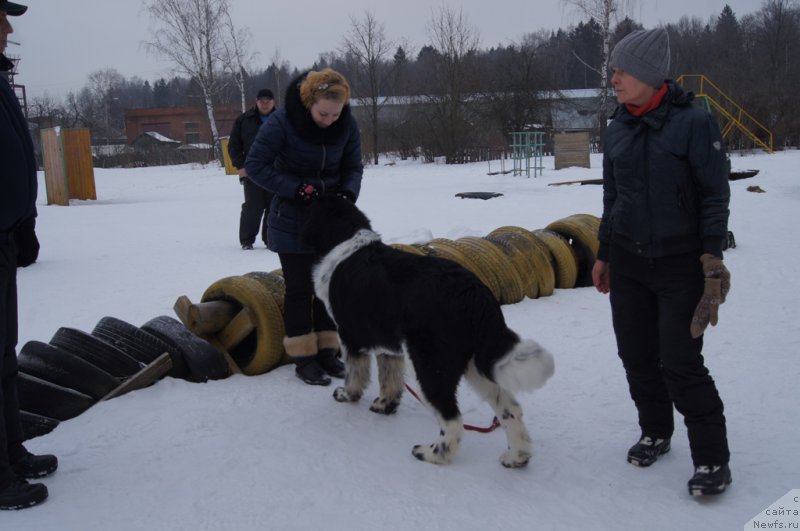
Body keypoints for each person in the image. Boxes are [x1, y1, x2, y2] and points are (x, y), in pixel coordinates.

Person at [592, 27, 732, 496]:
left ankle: (712, 460)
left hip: (679, 265)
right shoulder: (617, 127)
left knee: (680, 362)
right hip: (629, 264)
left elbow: (714, 193)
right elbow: (612, 197)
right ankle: (656, 431)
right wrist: (604, 254)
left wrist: (712, 259)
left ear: (650, 75)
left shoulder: (694, 122)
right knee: (636, 357)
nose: (613, 78)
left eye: (622, 70)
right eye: (613, 69)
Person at [245, 68, 363, 386]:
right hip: (292, 220)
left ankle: (327, 352)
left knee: (329, 287)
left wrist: (347, 193)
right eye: (323, 113)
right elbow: (255, 165)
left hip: (331, 220)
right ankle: (303, 358)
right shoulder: (283, 123)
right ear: (310, 102)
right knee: (300, 290)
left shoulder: (347, 125)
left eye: (335, 114)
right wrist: (295, 188)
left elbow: (353, 166)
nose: (329, 120)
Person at [1, 0, 58, 510]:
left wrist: (24, 221)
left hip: (5, 233)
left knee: (3, 353)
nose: (9, 26)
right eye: (0, 15)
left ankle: (8, 449)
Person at [228, 88, 277, 250]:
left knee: (274, 206)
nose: (264, 104)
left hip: (276, 171)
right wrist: (240, 166)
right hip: (252, 171)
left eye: (268, 101)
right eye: (261, 101)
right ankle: (247, 240)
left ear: (273, 102)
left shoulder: (282, 119)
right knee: (253, 207)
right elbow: (234, 146)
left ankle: (270, 239)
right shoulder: (244, 120)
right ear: (256, 102)